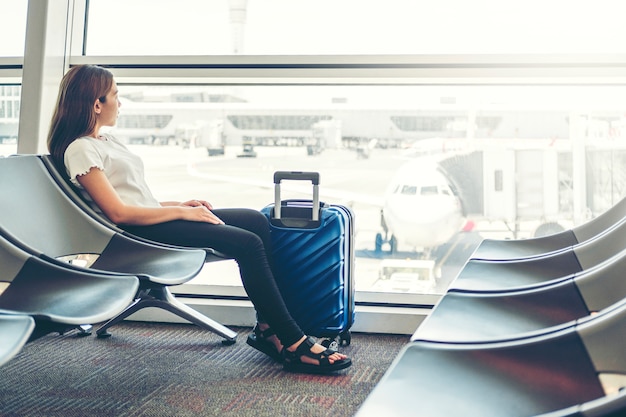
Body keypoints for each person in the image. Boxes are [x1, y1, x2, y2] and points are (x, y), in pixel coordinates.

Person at [47, 64, 351, 375]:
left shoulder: (105, 142)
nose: (120, 103)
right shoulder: (81, 149)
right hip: (135, 234)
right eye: (115, 96)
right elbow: (118, 213)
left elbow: (134, 199)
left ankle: (267, 327)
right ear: (97, 105)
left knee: (255, 220)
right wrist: (181, 212)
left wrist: (179, 204)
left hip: (152, 219)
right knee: (246, 244)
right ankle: (293, 340)